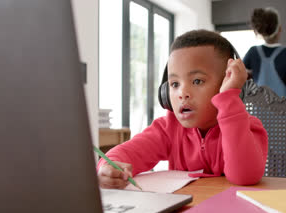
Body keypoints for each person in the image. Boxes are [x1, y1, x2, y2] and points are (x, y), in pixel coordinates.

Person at [97, 30, 268, 189]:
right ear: (165, 91)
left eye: (197, 81)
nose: (182, 93)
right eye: (174, 84)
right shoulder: (167, 129)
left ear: (225, 83)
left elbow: (245, 177)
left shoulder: (247, 127)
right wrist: (109, 167)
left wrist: (229, 99)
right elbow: (124, 153)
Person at [243, 7, 286, 99]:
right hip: (282, 109)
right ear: (279, 29)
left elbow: (241, 82)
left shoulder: (252, 52)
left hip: (257, 110)